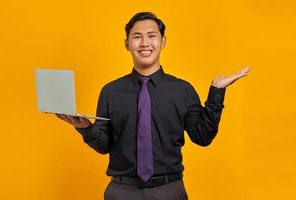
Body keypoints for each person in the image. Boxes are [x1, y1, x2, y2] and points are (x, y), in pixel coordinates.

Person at [56, 12, 250, 200]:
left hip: (169, 192)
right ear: (127, 44)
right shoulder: (110, 92)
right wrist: (85, 128)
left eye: (151, 36)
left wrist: (216, 93)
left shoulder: (182, 90)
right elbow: (104, 145)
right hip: (121, 193)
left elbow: (202, 137)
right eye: (137, 37)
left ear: (163, 41)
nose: (144, 43)